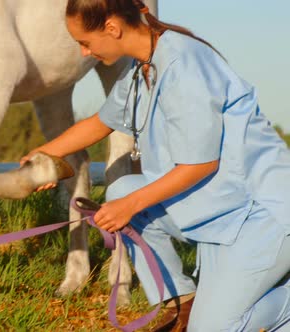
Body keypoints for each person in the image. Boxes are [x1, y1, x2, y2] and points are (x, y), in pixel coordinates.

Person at [20, 0, 290, 331]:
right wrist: (44, 155)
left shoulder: (184, 65)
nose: (84, 54)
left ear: (112, 29)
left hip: (264, 216)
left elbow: (200, 165)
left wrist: (127, 207)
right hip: (222, 212)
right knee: (122, 188)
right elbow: (100, 123)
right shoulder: (143, 68)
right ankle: (182, 302)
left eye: (85, 42)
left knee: (212, 329)